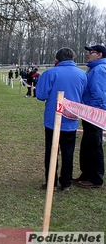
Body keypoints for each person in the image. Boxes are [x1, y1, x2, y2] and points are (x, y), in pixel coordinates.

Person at [36, 47, 87, 191]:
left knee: (52, 151)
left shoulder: (50, 73)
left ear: (57, 60)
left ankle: (51, 181)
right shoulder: (82, 75)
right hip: (71, 119)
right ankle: (66, 182)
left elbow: (40, 95)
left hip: (53, 120)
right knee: (68, 152)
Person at [75, 45, 106, 188]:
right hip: (89, 112)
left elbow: (99, 94)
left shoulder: (99, 70)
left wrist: (93, 112)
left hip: (94, 114)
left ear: (99, 55)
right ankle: (86, 173)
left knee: (94, 144)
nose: (87, 54)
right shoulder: (95, 69)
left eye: (90, 52)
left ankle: (95, 178)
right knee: (88, 144)